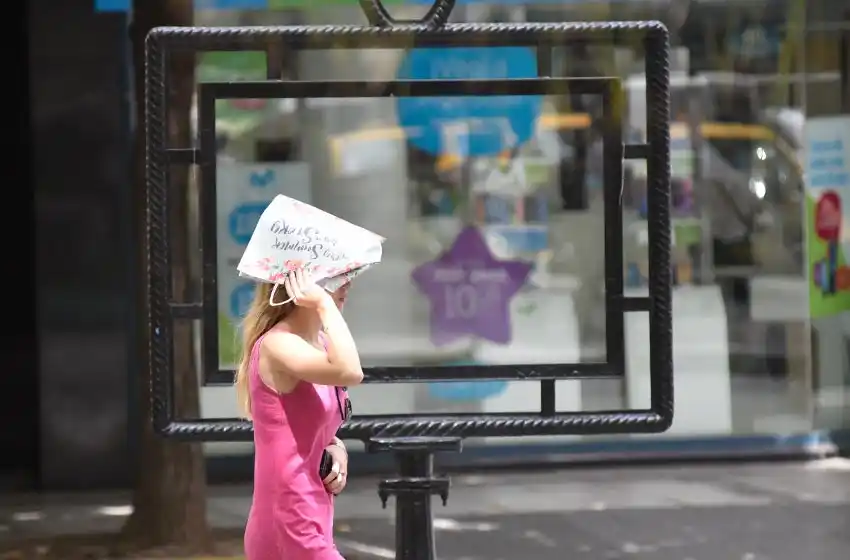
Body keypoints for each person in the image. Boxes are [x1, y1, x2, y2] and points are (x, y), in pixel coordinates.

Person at [235, 268, 364, 560]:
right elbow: (351, 372)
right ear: (298, 282)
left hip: (313, 513)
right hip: (289, 517)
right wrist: (323, 303)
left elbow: (314, 426)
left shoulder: (321, 342)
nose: (347, 285)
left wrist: (336, 447)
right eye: (333, 276)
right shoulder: (278, 344)